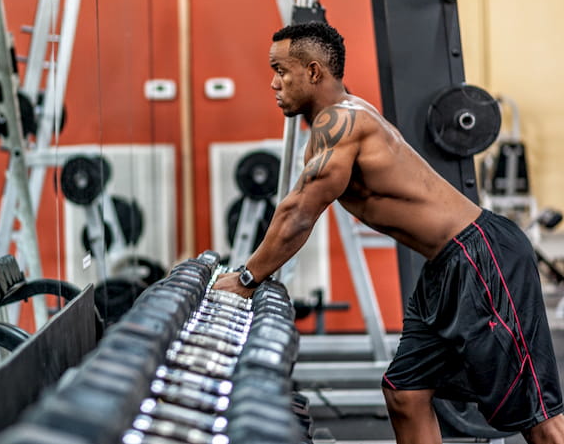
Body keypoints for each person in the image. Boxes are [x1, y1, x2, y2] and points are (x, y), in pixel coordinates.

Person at [212, 22, 564, 442]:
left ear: (312, 72)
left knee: (538, 417)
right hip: (445, 267)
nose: (273, 82)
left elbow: (299, 213)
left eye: (280, 70)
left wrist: (247, 279)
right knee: (405, 392)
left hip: (482, 256)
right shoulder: (338, 122)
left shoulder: (341, 123)